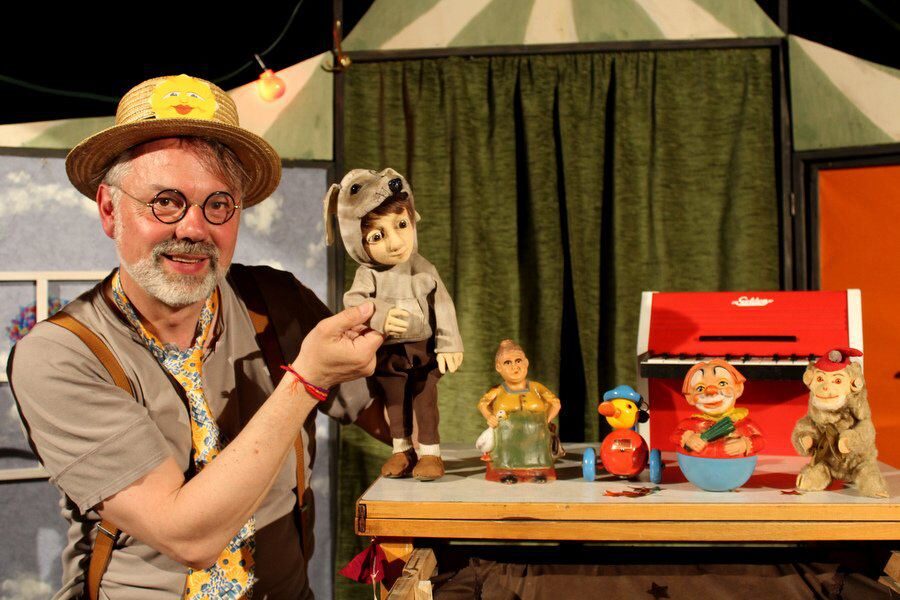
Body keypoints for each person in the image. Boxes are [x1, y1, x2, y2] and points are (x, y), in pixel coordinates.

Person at [7, 74, 386, 599]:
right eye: (166, 201)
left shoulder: (275, 302)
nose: (193, 228)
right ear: (110, 209)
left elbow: (392, 417)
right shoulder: (58, 355)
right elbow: (188, 536)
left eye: (218, 204)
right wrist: (305, 382)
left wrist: (413, 316)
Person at [324, 168, 464, 481]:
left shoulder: (422, 267)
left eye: (401, 224)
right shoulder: (368, 274)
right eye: (377, 236)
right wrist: (379, 315)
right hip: (388, 351)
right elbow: (354, 302)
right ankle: (402, 450)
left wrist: (450, 343)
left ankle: (430, 453)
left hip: (424, 349)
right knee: (395, 402)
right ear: (357, 241)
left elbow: (443, 304)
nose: (395, 242)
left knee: (425, 401)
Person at [477, 340, 561, 483]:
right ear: (499, 367)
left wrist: (546, 420)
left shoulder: (536, 387)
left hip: (536, 435)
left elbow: (555, 403)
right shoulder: (498, 390)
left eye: (518, 361)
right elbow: (482, 403)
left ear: (526, 363)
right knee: (505, 451)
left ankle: (539, 472)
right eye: (507, 363)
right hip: (506, 435)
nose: (514, 367)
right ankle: (507, 472)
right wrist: (489, 416)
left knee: (539, 450)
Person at [671, 359, 764, 458]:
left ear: (738, 389)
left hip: (735, 466)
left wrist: (745, 444)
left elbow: (761, 440)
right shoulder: (690, 424)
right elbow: (674, 436)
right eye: (700, 388)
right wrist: (688, 438)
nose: (711, 391)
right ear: (690, 397)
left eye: (722, 383)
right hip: (697, 465)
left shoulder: (744, 423)